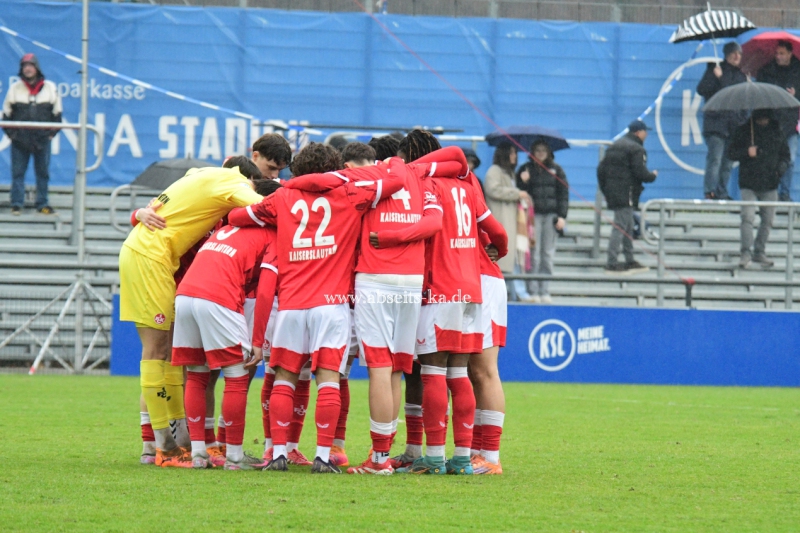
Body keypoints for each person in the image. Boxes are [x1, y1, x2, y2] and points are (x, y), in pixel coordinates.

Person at [228, 146, 407, 474]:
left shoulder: (282, 197)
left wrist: (281, 200)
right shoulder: (350, 192)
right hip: (331, 305)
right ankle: (324, 456)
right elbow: (395, 182)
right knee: (328, 379)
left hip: (292, 306)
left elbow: (237, 217)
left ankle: (278, 453)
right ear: (335, 167)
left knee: (284, 377)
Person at [118, 164, 263, 468]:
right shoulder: (231, 187)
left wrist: (139, 214)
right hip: (153, 260)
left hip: (163, 265)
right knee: (156, 352)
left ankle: (177, 444)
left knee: (169, 356)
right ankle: (162, 448)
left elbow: (175, 196)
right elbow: (263, 207)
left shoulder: (204, 177)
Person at [727, 109, 790, 269]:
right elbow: (731, 152)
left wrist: (780, 170)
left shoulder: (777, 131)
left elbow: (785, 156)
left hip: (770, 183)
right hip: (748, 182)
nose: (762, 121)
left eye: (765, 119)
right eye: (760, 119)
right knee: (747, 218)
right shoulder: (744, 130)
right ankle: (745, 252)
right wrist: (747, 152)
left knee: (768, 220)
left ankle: (759, 251)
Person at [2, 53, 62, 215]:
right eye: (24, 66)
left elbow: (57, 116)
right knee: (18, 173)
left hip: (42, 140)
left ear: (37, 68)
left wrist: (50, 135)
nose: (27, 69)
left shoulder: (50, 87)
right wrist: (13, 136)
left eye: (30, 65)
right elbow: (6, 116)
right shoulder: (15, 88)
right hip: (20, 141)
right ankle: (16, 203)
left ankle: (42, 203)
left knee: (43, 173)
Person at [598, 119, 657, 274]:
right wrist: (652, 176)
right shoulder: (636, 149)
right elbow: (640, 172)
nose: (647, 134)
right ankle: (611, 263)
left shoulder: (614, 147)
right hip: (627, 193)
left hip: (614, 193)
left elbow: (600, 170)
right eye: (645, 131)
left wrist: (606, 191)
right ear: (638, 132)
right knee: (621, 226)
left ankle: (629, 259)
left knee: (628, 226)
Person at [515, 140, 569, 303]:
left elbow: (563, 194)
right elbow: (519, 192)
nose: (540, 153)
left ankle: (545, 290)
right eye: (537, 150)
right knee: (534, 255)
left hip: (551, 217)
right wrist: (522, 181)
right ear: (532, 152)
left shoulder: (557, 170)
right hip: (533, 217)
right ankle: (533, 290)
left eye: (543, 150)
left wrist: (562, 216)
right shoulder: (526, 169)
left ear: (548, 152)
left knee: (547, 254)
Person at [697, 41, 747, 200]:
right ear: (727, 55)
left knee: (727, 164)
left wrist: (742, 119)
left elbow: (738, 97)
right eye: (734, 53)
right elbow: (701, 89)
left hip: (733, 126)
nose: (737, 57)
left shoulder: (741, 76)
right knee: (715, 159)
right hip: (716, 124)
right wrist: (716, 76)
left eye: (739, 54)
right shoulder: (713, 69)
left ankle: (722, 192)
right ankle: (710, 191)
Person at [483, 143, 531, 300]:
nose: (514, 156)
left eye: (515, 153)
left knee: (511, 263)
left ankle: (514, 295)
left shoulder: (510, 174)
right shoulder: (494, 171)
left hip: (511, 222)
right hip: (500, 220)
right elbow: (493, 189)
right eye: (511, 153)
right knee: (502, 262)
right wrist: (517, 192)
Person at [757, 40, 800, 202]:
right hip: (772, 123)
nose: (778, 56)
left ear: (790, 53)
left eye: (781, 53)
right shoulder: (767, 71)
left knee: (790, 160)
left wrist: (796, 95)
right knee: (770, 159)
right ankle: (770, 193)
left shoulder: (798, 71)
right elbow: (761, 95)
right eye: (776, 53)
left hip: (791, 124)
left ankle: (785, 193)